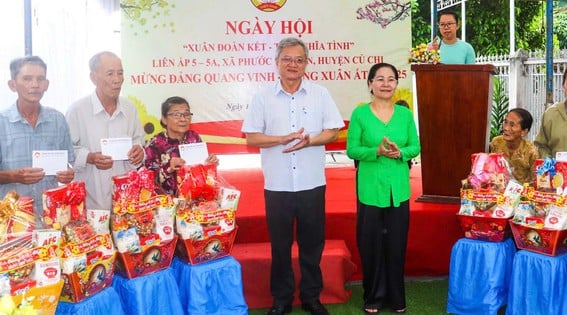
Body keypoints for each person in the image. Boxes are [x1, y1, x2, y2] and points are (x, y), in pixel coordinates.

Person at [241, 37, 344, 315]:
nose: (293, 65)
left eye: (299, 60)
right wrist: (281, 139)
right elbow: (251, 137)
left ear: (306, 64)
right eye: (287, 59)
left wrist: (309, 141)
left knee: (312, 244)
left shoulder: (320, 94)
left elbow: (334, 130)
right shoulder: (262, 97)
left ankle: (311, 297)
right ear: (276, 63)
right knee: (281, 246)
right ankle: (281, 299)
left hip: (312, 183)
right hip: (278, 185)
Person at [346, 63, 421, 315]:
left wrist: (401, 153)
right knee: (371, 244)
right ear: (370, 84)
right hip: (370, 189)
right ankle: (373, 297)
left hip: (398, 190)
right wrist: (375, 151)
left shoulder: (405, 115)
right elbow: (352, 150)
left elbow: (415, 147)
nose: (386, 84)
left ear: (396, 85)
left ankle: (396, 298)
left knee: (397, 244)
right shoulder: (360, 115)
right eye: (380, 79)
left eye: (391, 79)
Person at [65, 51, 145, 210]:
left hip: (125, 197)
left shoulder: (130, 108)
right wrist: (89, 157)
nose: (117, 80)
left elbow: (139, 140)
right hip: (90, 197)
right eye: (110, 74)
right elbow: (66, 151)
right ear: (93, 77)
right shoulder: (77, 110)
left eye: (120, 73)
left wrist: (139, 151)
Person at [0, 56, 75, 223]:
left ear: (46, 85)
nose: (35, 85)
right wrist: (14, 176)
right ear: (12, 85)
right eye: (27, 79)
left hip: (51, 217)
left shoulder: (57, 119)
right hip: (12, 220)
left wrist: (68, 173)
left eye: (40, 79)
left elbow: (69, 162)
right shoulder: (1, 122)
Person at [144, 96, 219, 195]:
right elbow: (147, 181)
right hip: (166, 204)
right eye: (177, 115)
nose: (183, 119)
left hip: (194, 200)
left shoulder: (194, 138)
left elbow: (202, 174)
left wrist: (209, 165)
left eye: (186, 114)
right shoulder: (155, 143)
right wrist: (168, 168)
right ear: (164, 119)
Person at [490, 108, 539, 184]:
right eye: (505, 122)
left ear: (524, 132)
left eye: (512, 125)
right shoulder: (496, 143)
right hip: (499, 189)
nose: (506, 128)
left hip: (523, 193)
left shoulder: (531, 152)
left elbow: (536, 180)